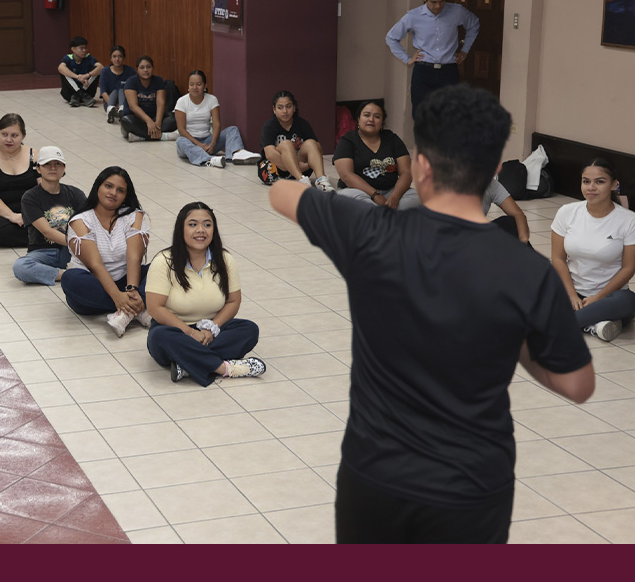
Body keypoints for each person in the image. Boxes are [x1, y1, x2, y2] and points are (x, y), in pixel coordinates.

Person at [270, 85, 594, 544]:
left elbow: (281, 194)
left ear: (421, 167)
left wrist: (317, 190)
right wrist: (518, 340)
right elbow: (578, 385)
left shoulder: (370, 233)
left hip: (375, 478)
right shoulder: (528, 271)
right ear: (496, 170)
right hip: (473, 486)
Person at [145, 202, 264, 385]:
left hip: (210, 330)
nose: (201, 230)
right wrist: (190, 333)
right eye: (193, 224)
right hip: (175, 330)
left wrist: (212, 327)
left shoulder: (225, 259)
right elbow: (155, 308)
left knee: (249, 330)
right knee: (160, 337)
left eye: (207, 225)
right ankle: (225, 368)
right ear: (181, 229)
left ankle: (187, 365)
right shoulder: (164, 261)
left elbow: (233, 301)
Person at [550, 158, 635, 343]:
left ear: (614, 185)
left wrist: (598, 297)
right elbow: (557, 258)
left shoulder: (629, 220)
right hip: (571, 290)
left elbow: (628, 268)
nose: (591, 187)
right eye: (586, 181)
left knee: (628, 301)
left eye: (599, 182)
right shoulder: (566, 212)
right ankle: (594, 325)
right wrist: (571, 294)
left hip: (610, 296)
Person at [61, 166, 151, 336]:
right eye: (108, 186)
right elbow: (95, 265)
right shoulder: (80, 221)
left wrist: (132, 290)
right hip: (94, 286)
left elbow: (134, 258)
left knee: (168, 264)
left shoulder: (134, 216)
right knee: (70, 279)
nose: (113, 193)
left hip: (128, 281)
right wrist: (117, 296)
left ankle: (126, 313)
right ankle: (138, 308)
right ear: (98, 187)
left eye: (120, 190)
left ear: (126, 196)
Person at [386, 0, 481, 116]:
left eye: (442, 1)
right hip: (424, 72)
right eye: (433, 2)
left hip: (448, 71)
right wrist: (407, 59)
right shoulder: (413, 16)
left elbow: (474, 24)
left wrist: (465, 50)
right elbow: (391, 37)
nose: (438, 6)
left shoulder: (457, 11)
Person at [13, 146, 87, 286]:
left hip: (72, 250)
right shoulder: (30, 197)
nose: (53, 168)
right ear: (38, 169)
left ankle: (77, 270)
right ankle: (68, 274)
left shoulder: (76, 194)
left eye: (58, 164)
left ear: (64, 168)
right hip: (44, 251)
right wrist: (76, 243)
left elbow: (88, 224)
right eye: (47, 164)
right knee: (21, 267)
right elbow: (47, 231)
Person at [332, 101, 419, 210]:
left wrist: (395, 197)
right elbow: (346, 175)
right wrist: (375, 195)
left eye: (377, 116)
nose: (371, 119)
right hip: (357, 191)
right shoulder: (347, 141)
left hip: (390, 191)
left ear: (382, 122)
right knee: (355, 202)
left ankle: (378, 215)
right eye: (366, 115)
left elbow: (406, 172)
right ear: (358, 119)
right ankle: (387, 215)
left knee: (418, 197)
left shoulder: (392, 139)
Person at [174, 70, 260, 168]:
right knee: (180, 141)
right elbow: (181, 130)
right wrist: (198, 144)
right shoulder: (182, 101)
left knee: (232, 129)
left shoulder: (212, 99)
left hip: (207, 142)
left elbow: (217, 124)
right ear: (188, 86)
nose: (195, 87)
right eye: (191, 84)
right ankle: (209, 160)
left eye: (198, 84)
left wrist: (213, 144)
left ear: (205, 86)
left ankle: (237, 153)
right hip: (189, 142)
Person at [0, 113, 39, 248]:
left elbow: (45, 188)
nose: (8, 140)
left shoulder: (35, 156)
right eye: (4, 135)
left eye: (14, 135)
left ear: (23, 136)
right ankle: (43, 237)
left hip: (31, 212)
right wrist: (12, 216)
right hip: (0, 215)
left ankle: (42, 235)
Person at [258, 90, 334, 191]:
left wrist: (303, 164)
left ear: (294, 107)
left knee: (311, 143)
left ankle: (321, 180)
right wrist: (295, 166)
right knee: (286, 144)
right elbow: (270, 154)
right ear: (274, 109)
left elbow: (318, 148)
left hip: (301, 166)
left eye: (288, 106)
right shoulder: (269, 126)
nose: (285, 111)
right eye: (280, 107)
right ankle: (301, 180)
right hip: (276, 169)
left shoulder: (302, 124)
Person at [119, 56, 178, 143]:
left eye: (148, 67)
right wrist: (148, 121)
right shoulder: (131, 82)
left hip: (155, 118)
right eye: (142, 67)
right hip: (138, 119)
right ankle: (162, 136)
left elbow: (160, 104)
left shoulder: (158, 81)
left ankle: (141, 137)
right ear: (137, 69)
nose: (146, 70)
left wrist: (157, 124)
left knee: (175, 119)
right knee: (126, 121)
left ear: (153, 68)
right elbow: (133, 106)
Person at [481, 177, 530, 243]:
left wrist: (523, 239)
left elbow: (518, 214)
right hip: (468, 235)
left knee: (509, 222)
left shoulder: (492, 184)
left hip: (478, 232)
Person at [58, 36, 103, 107]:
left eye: (85, 48)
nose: (84, 50)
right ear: (73, 49)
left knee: (96, 71)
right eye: (81, 48)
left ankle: (79, 96)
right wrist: (77, 77)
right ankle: (80, 94)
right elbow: (60, 68)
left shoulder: (88, 57)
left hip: (88, 93)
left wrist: (86, 75)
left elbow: (101, 67)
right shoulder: (68, 58)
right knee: (64, 72)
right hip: (70, 94)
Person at [100, 45, 136, 122]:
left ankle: (122, 109)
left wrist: (122, 104)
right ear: (111, 58)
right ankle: (111, 110)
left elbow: (133, 91)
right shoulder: (105, 71)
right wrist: (113, 105)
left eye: (120, 56)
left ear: (124, 58)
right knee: (116, 91)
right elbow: (103, 92)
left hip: (126, 103)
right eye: (114, 56)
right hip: (109, 102)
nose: (117, 59)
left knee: (121, 90)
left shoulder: (130, 71)